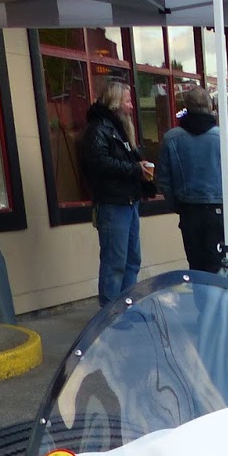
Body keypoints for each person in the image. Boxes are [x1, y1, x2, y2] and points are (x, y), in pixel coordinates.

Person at [154, 86, 228, 273]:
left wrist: (176, 205)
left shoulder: (171, 138)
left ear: (186, 106)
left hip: (188, 209)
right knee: (218, 265)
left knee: (196, 266)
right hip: (218, 209)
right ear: (211, 105)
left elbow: (163, 180)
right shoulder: (223, 137)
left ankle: (199, 301)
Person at [80, 78, 153, 305]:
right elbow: (99, 163)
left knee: (132, 260)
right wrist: (135, 168)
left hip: (129, 201)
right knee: (115, 262)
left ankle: (126, 308)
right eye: (128, 100)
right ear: (115, 101)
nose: (132, 105)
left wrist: (140, 167)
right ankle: (110, 313)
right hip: (112, 203)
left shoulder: (119, 128)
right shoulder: (98, 128)